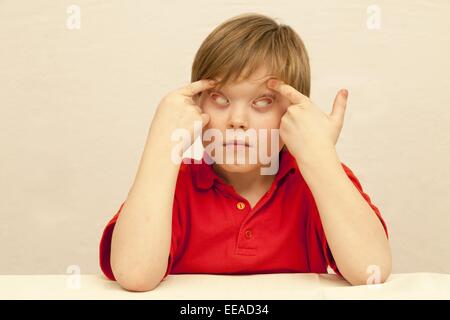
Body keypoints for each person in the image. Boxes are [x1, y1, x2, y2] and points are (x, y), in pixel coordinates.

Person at [99, 13, 391, 292]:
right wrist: (162, 146)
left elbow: (371, 270)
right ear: (197, 105)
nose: (237, 120)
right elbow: (135, 274)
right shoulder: (173, 184)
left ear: (293, 114)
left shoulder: (316, 178)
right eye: (219, 98)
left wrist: (321, 157)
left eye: (262, 101)